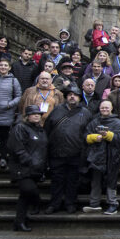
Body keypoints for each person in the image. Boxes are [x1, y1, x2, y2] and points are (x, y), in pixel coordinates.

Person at [44, 84, 91, 214]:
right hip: (57, 152)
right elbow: (47, 128)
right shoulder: (57, 109)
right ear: (66, 97)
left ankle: (70, 203)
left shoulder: (85, 113)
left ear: (79, 98)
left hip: (76, 153)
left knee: (72, 181)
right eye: (70, 94)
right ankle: (54, 203)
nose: (72, 97)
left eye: (75, 95)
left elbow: (88, 133)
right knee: (56, 180)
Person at [7, 105, 47, 232]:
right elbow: (17, 148)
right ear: (27, 116)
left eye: (38, 114)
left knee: (24, 197)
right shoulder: (20, 128)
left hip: (36, 169)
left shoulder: (41, 130)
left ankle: (19, 222)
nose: (36, 115)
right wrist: (29, 161)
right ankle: (37, 204)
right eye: (33, 114)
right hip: (23, 168)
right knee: (30, 190)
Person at [82, 100, 120, 215]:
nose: (105, 110)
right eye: (102, 107)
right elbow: (85, 136)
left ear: (111, 109)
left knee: (111, 181)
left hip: (112, 156)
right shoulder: (94, 121)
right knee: (95, 180)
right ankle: (94, 203)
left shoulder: (117, 122)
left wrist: (108, 135)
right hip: (96, 157)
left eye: (107, 108)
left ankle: (112, 203)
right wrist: (93, 137)